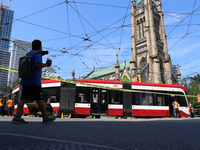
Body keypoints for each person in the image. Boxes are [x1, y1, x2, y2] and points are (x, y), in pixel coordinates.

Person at [12, 39, 56, 124]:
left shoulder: (29, 54)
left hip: (25, 81)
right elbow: (37, 64)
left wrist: (41, 52)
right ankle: (46, 117)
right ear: (40, 46)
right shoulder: (38, 55)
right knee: (40, 99)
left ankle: (17, 117)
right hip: (34, 82)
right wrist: (46, 65)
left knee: (23, 98)